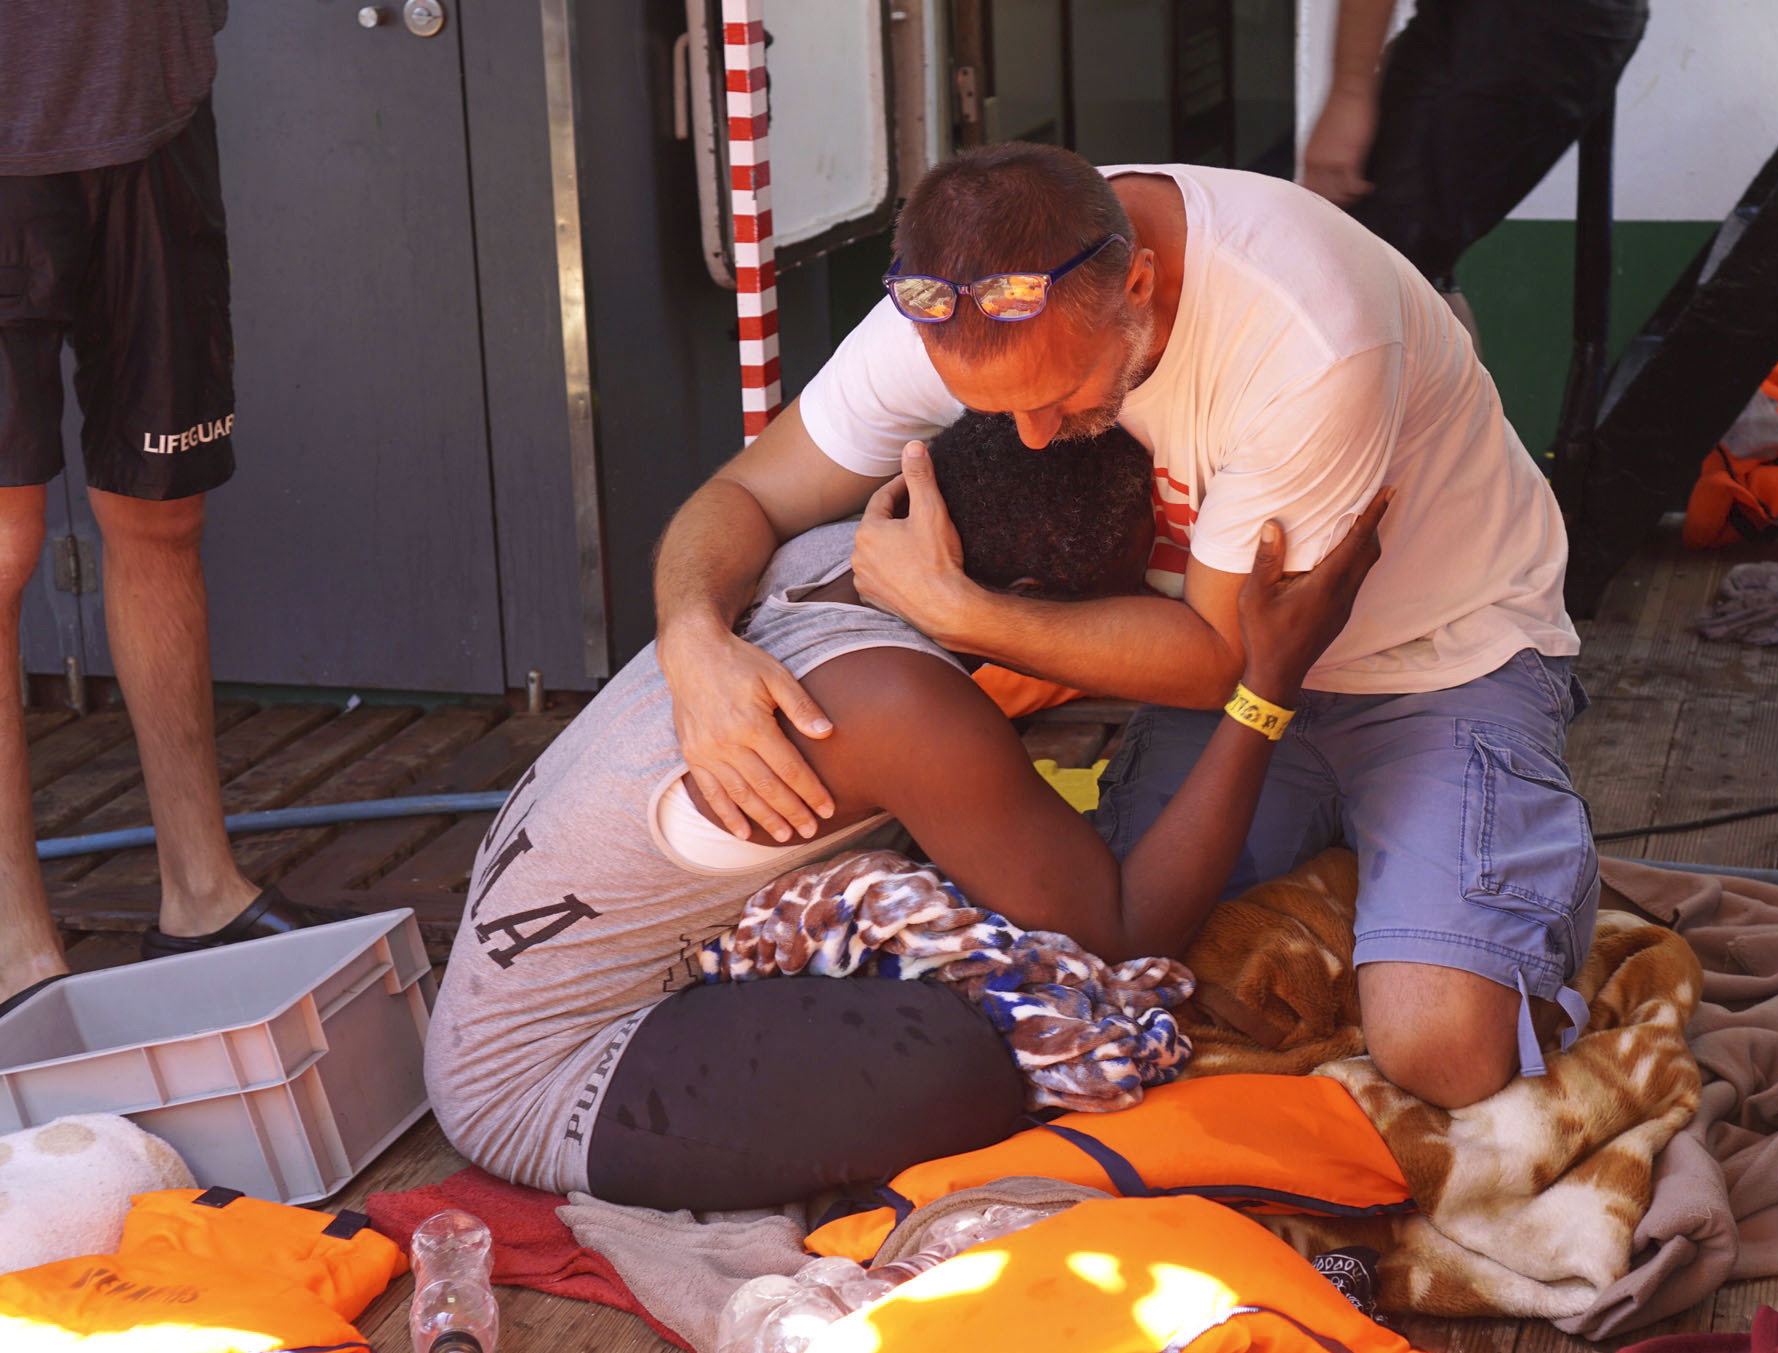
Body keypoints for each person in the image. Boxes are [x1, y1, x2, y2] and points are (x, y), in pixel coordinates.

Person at [652, 143, 1597, 1112]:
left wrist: (958, 611)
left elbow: (1219, 659)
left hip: (1437, 663)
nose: (1027, 433)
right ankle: (1386, 882)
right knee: (1095, 972)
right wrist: (692, 640)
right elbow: (746, 494)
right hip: (1235, 674)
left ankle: (1491, 887)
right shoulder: (966, 302)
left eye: (1058, 397)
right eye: (991, 410)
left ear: (1137, 281)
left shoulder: (1309, 332)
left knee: (1444, 1051)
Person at [425, 413, 1386, 1211]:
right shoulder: (903, 708)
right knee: (961, 1068)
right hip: (548, 1082)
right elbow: (1121, 933)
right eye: (1121, 603)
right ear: (1027, 603)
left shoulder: (830, 551)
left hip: (529, 992)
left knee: (989, 898)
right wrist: (1267, 681)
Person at [0, 0, 353, 1018]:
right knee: (6, 547)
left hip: (150, 116)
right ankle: (17, 943)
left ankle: (201, 893)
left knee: (160, 513)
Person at [1300, 0, 1648, 343]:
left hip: (1525, 19)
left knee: (1363, 263)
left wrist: (1348, 94)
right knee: (1401, 268)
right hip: (1484, 19)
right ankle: (1460, 399)